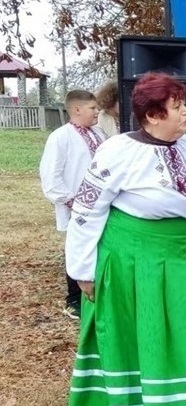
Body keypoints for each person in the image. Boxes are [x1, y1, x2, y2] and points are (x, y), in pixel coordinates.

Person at [64, 72, 186, 406]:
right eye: (177, 107)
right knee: (139, 335)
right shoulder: (116, 152)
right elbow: (87, 211)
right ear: (153, 115)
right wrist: (84, 271)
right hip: (131, 259)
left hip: (176, 257)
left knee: (182, 333)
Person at [39, 89, 105, 319]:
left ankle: (98, 292)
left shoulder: (98, 135)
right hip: (75, 205)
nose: (97, 112)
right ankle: (73, 299)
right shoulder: (60, 137)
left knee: (98, 246)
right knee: (76, 247)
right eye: (93, 108)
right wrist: (72, 201)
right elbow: (51, 175)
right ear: (76, 109)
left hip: (100, 205)